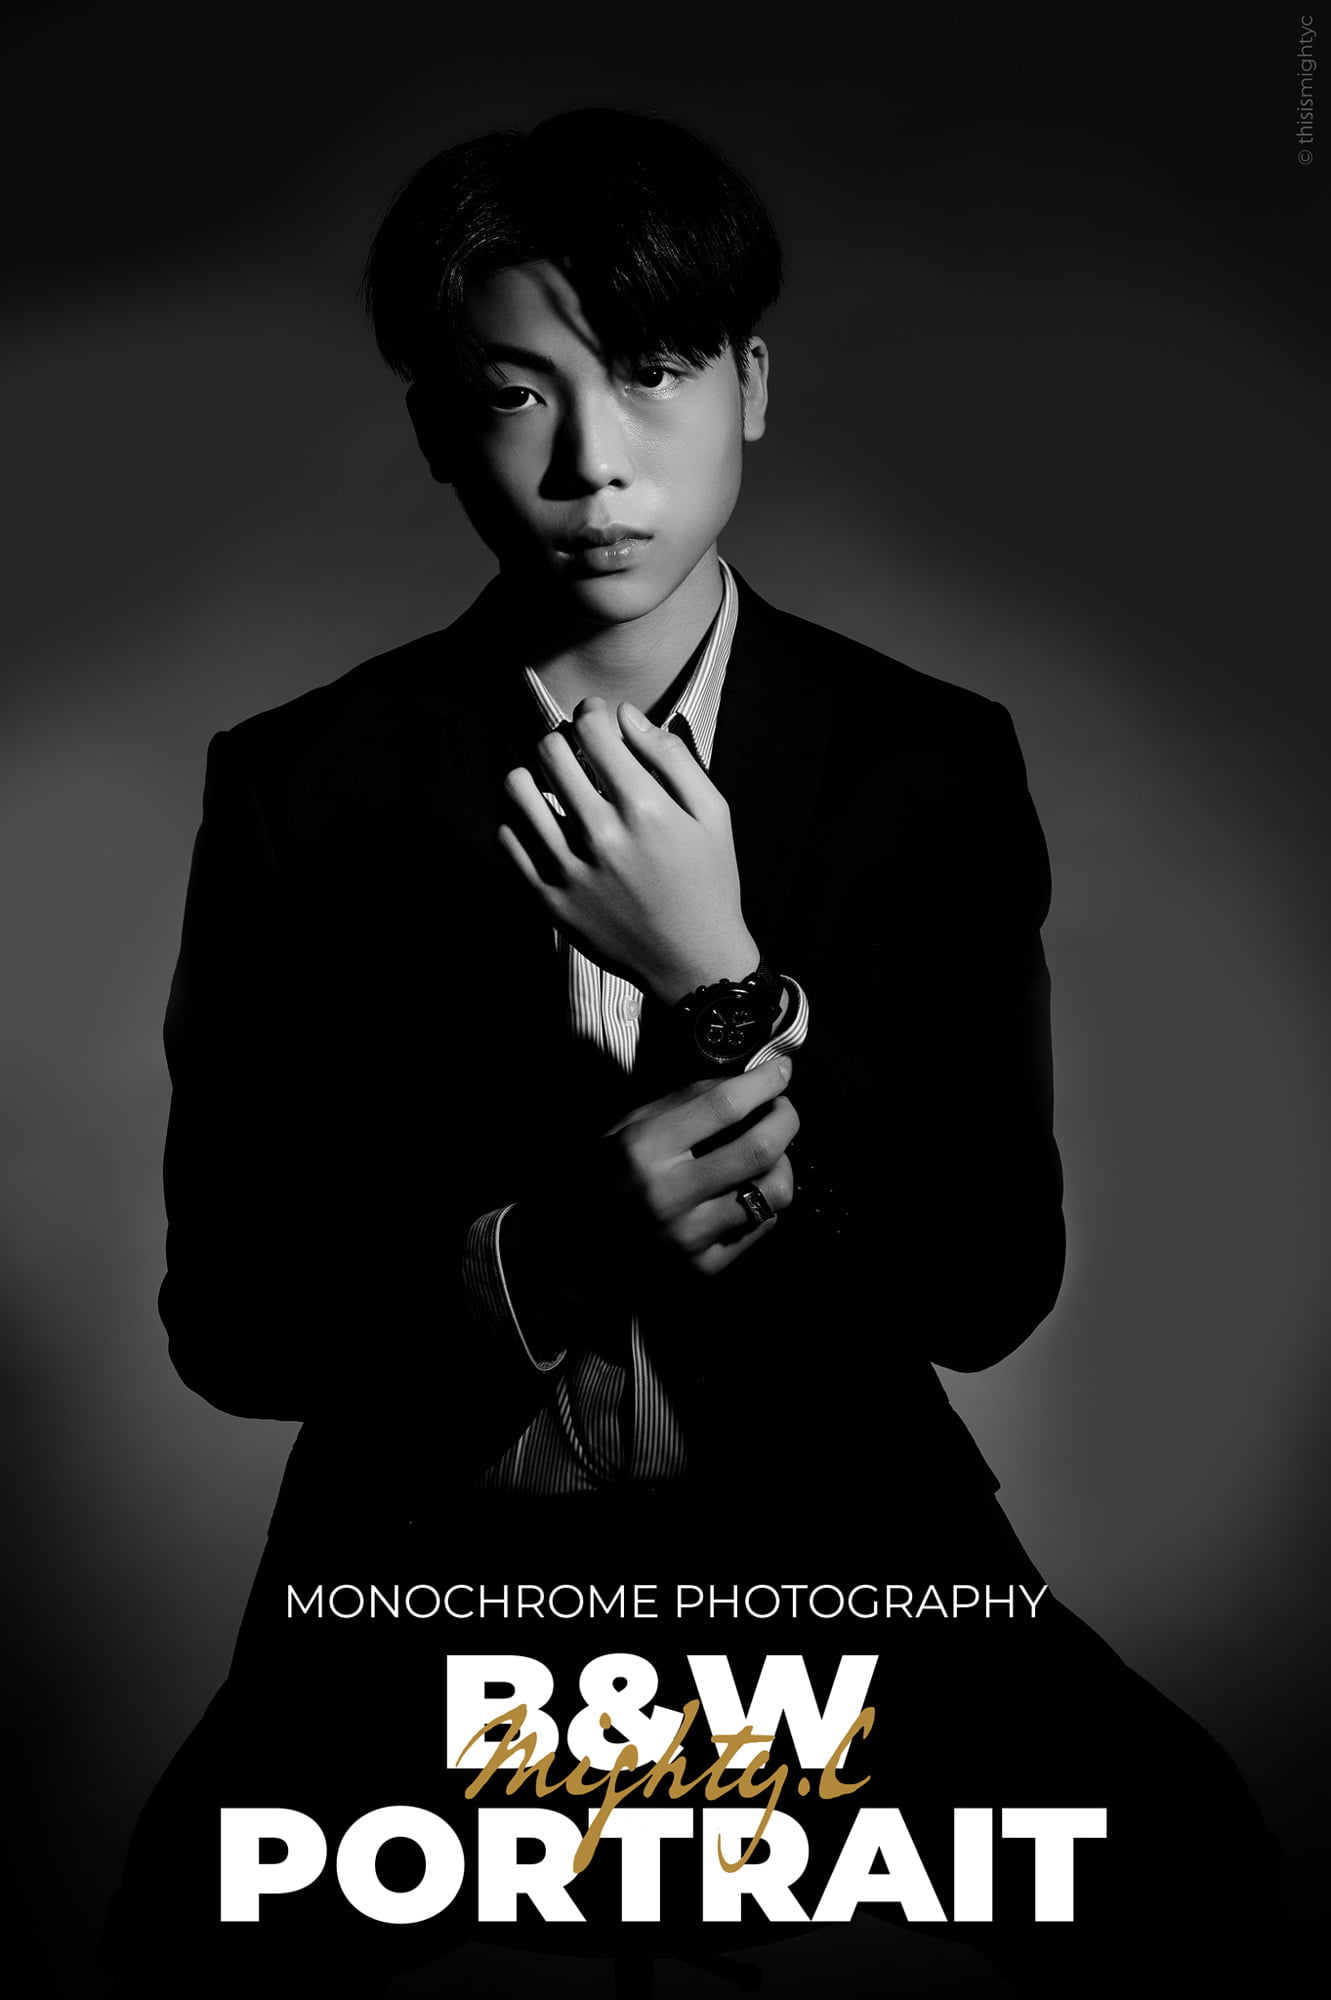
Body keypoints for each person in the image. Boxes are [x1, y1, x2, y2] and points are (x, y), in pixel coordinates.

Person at [104, 109, 1283, 1997]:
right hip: (438, 1582)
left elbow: (988, 1282)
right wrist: (556, 1250)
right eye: (518, 394)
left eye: (652, 373)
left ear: (751, 384)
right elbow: (234, 1325)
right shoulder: (301, 787)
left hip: (838, 1567)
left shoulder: (926, 761)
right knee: (204, 1928)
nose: (593, 462)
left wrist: (722, 979)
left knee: (1181, 1863)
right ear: (434, 429)